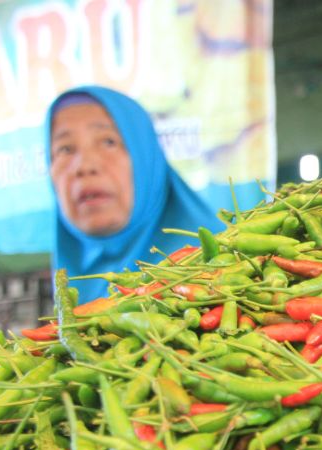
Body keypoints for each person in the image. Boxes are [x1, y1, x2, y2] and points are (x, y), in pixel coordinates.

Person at [46, 86, 223, 303]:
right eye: (65, 149)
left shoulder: (218, 259)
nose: (84, 166)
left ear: (146, 157)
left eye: (108, 142)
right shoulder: (70, 280)